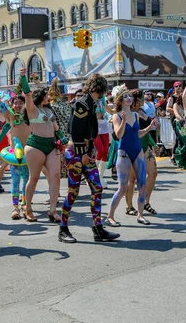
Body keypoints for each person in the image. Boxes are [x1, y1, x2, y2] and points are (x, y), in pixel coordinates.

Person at [59, 73, 119, 243]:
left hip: (84, 152)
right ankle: (63, 229)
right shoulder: (83, 104)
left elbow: (90, 132)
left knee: (97, 188)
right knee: (73, 192)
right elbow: (76, 130)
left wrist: (89, 151)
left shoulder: (91, 104)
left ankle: (98, 228)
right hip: (76, 153)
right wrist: (84, 153)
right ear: (99, 89)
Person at [106, 89, 157, 226]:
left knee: (142, 184)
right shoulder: (117, 116)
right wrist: (123, 122)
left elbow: (137, 133)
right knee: (123, 187)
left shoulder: (135, 115)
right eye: (125, 97)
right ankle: (110, 216)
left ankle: (140, 215)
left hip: (138, 151)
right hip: (124, 153)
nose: (128, 98)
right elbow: (119, 134)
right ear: (120, 100)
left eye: (129, 96)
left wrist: (148, 128)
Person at [20, 66, 63, 223]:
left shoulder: (48, 110)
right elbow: (28, 93)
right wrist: (24, 77)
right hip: (35, 145)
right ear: (41, 97)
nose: (48, 97)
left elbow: (56, 128)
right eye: (46, 96)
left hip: (51, 145)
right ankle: (28, 207)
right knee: (35, 178)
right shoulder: (32, 110)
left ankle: (53, 210)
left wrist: (64, 140)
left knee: (56, 176)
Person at [125, 90, 159, 215]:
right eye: (141, 99)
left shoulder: (142, 111)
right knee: (132, 179)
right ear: (136, 100)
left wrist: (153, 144)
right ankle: (129, 206)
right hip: (134, 147)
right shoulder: (130, 113)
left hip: (145, 146)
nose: (143, 100)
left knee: (153, 173)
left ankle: (145, 202)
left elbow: (146, 131)